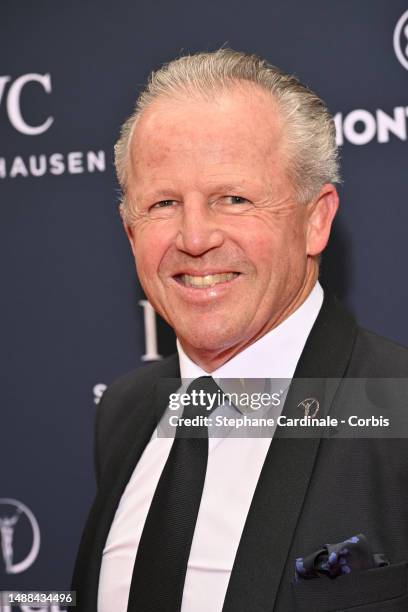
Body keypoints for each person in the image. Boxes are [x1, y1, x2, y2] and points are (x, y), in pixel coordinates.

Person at [72, 49, 408, 611]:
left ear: (316, 219)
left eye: (234, 198)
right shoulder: (124, 412)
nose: (195, 237)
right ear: (131, 232)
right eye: (163, 202)